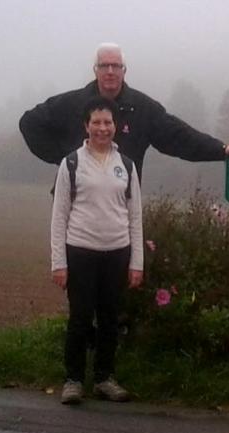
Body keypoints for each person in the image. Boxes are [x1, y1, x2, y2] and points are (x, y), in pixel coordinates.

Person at [19, 42, 229, 180]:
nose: (110, 71)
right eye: (104, 66)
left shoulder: (143, 108)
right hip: (75, 206)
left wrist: (220, 150)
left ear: (124, 70)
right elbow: (29, 123)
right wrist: (65, 158)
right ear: (95, 70)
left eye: (116, 66)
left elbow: (179, 137)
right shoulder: (71, 104)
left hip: (122, 207)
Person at [52, 96, 143, 405]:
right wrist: (58, 263)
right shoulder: (71, 163)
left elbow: (135, 217)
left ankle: (105, 378)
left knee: (109, 319)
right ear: (86, 126)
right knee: (79, 318)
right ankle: (73, 381)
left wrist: (137, 263)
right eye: (97, 122)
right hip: (80, 252)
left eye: (108, 122)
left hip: (117, 254)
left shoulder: (126, 166)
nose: (103, 128)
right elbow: (59, 215)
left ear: (116, 126)